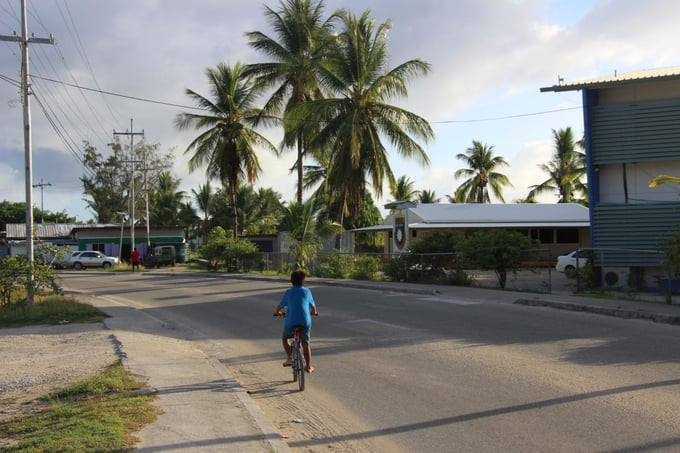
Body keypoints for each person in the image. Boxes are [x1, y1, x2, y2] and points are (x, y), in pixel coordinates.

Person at [274, 270, 318, 373]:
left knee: (285, 338)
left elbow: (279, 308)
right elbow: (314, 309)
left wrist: (278, 313)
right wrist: (314, 313)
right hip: (305, 322)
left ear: (291, 281)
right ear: (304, 281)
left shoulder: (289, 292)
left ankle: (289, 358)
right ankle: (308, 366)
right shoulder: (307, 291)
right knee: (305, 343)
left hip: (291, 321)